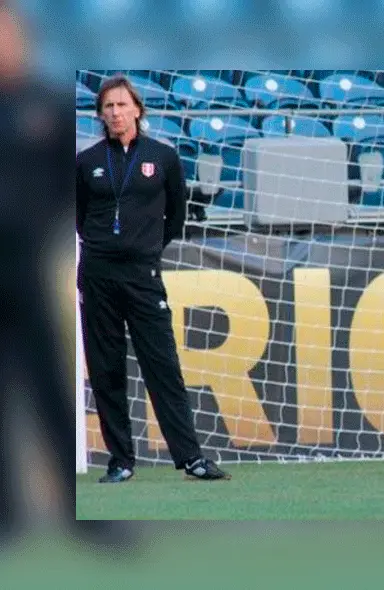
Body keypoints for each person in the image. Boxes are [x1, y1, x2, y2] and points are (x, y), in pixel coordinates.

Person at [76, 74, 229, 483]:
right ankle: (121, 461)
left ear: (137, 110)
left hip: (143, 277)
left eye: (122, 105)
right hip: (98, 276)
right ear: (101, 114)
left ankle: (191, 458)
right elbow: (77, 215)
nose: (115, 113)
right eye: (108, 107)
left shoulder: (163, 156)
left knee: (163, 366)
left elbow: (175, 216)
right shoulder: (86, 161)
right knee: (106, 369)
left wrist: (144, 249)